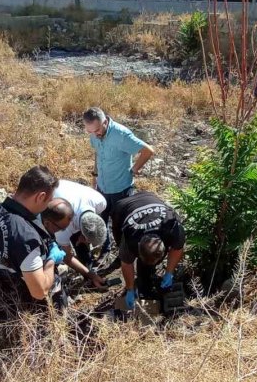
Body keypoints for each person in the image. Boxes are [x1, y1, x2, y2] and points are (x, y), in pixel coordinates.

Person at [0, 166, 67, 321]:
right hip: (26, 315)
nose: (46, 207)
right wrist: (51, 260)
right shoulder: (26, 236)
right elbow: (39, 291)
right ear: (40, 197)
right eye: (48, 200)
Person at [83, 107, 155, 254]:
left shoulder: (121, 134)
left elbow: (148, 151)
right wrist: (95, 177)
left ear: (104, 122)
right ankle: (105, 249)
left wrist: (134, 169)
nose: (94, 135)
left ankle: (124, 254)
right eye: (90, 132)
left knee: (121, 224)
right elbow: (97, 153)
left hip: (120, 189)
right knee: (101, 220)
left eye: (96, 131)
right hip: (102, 186)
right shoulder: (94, 134)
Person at [110, 191, 185, 311]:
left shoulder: (172, 227)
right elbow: (127, 264)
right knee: (123, 252)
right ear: (138, 247)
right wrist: (129, 288)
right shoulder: (130, 238)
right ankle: (139, 283)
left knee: (146, 269)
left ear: (164, 246)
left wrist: (169, 273)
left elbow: (177, 249)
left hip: (150, 198)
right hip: (123, 207)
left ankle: (145, 278)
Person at [40, 179, 109, 288]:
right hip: (52, 192)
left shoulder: (101, 202)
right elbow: (67, 257)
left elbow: (95, 224)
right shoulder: (62, 228)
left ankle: (86, 263)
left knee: (81, 248)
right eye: (88, 241)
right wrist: (90, 275)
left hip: (68, 193)